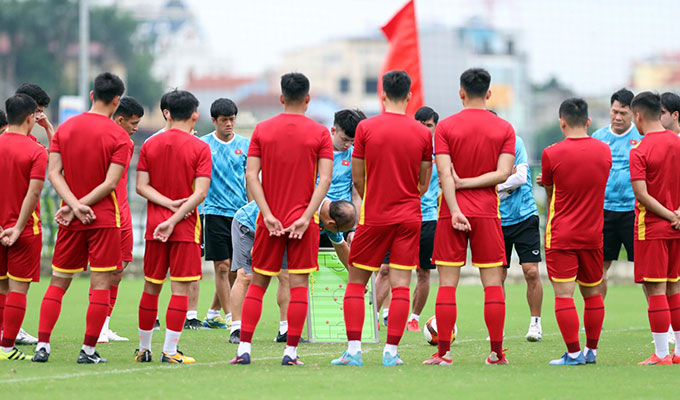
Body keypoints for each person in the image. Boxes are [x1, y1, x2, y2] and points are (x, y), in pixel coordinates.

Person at [331, 70, 432, 367]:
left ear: (382, 94)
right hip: (410, 216)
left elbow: (358, 177)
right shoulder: (423, 133)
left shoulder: (367, 128)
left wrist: (376, 195)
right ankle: (391, 352)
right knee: (401, 284)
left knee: (355, 281)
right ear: (410, 96)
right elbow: (424, 182)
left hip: (375, 214)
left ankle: (354, 350)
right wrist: (407, 194)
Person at [232, 72, 333, 366]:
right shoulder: (320, 133)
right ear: (308, 99)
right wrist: (306, 216)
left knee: (258, 284)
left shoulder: (262, 130)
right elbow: (324, 179)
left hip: (269, 222)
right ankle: (290, 353)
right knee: (299, 286)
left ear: (281, 98)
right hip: (303, 223)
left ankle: (244, 350)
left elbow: (251, 175)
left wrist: (266, 213)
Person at [33, 72, 128, 364]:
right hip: (102, 219)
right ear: (116, 101)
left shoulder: (64, 129)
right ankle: (87, 351)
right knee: (100, 285)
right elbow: (111, 184)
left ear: (91, 95)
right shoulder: (121, 137)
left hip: (70, 219)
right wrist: (82, 205)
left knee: (58, 282)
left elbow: (53, 173)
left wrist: (71, 205)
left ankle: (43, 346)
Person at [425, 68, 514, 366]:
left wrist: (456, 208)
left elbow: (444, 175)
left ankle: (444, 353)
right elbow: (503, 174)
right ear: (488, 93)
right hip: (488, 212)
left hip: (451, 213)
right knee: (493, 284)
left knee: (447, 284)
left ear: (460, 92)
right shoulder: (505, 128)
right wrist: (471, 184)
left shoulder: (446, 127)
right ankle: (496, 353)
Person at [135, 90, 211, 364]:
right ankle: (170, 351)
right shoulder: (200, 147)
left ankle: (144, 349)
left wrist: (165, 209)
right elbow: (200, 193)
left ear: (168, 112)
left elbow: (141, 187)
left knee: (151, 286)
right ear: (195, 115)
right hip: (184, 226)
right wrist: (174, 217)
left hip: (155, 226)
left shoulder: (150, 145)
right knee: (180, 289)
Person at [541, 98, 611, 365]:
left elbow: (550, 190)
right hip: (594, 234)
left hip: (562, 234)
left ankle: (572, 353)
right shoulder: (604, 151)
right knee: (593, 293)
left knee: (564, 294)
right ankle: (591, 351)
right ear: (588, 122)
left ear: (562, 122)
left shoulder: (551, 153)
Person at [229, 198, 355, 344]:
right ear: (331, 223)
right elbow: (266, 215)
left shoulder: (326, 217)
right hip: (250, 224)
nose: (336, 233)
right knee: (246, 276)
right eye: (339, 230)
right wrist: (258, 246)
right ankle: (236, 329)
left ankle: (285, 330)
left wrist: (355, 279)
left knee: (287, 277)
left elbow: (341, 246)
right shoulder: (302, 204)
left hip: (279, 233)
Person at [627, 92, 680, 365]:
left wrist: (669, 215)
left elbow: (642, 195)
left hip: (652, 227)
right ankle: (678, 352)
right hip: (677, 228)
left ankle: (661, 354)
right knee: (675, 288)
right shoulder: (677, 142)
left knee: (656, 289)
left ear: (637, 116)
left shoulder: (639, 149)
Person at [0, 94, 47, 361]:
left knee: (0, 288)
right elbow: (33, 194)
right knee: (18, 289)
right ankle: (7, 348)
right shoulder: (36, 151)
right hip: (25, 230)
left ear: (7, 116)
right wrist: (17, 228)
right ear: (31, 117)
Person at [94, 97, 144, 343]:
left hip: (122, 210)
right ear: (120, 118)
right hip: (106, 212)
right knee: (99, 271)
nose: (136, 127)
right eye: (133, 123)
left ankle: (104, 325)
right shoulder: (104, 139)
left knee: (120, 267)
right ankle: (95, 327)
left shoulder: (128, 142)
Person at [200, 98, 249, 330]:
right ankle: (231, 317)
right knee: (221, 266)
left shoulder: (246, 145)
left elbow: (251, 180)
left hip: (240, 214)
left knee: (234, 269)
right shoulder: (203, 145)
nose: (229, 124)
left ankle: (213, 312)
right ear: (214, 121)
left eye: (232, 119)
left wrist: (253, 207)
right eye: (224, 120)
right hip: (214, 212)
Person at [591, 89, 642, 299]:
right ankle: (596, 319)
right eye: (614, 112)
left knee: (648, 271)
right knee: (598, 269)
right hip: (604, 211)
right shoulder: (598, 137)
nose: (618, 117)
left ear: (633, 114)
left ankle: (661, 323)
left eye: (623, 113)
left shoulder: (641, 137)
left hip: (634, 211)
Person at [498, 131, 543, 342]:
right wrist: (508, 178)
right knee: (497, 276)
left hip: (525, 216)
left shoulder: (515, 142)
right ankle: (497, 327)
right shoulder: (481, 148)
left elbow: (521, 177)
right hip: (496, 219)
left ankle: (535, 323)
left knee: (531, 271)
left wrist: (494, 183)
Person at [15, 82, 55, 147]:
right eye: (37, 111)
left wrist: (48, 127)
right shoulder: (6, 135)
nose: (39, 117)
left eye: (41, 112)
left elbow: (51, 155)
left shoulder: (30, 138)